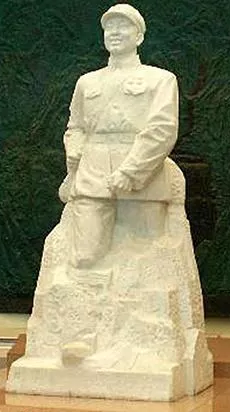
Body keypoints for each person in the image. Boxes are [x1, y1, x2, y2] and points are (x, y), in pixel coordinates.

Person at [59, 3, 183, 268]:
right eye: (109, 27)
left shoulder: (160, 80)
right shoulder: (87, 82)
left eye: (123, 26)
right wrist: (74, 150)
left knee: (147, 255)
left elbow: (162, 129)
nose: (114, 32)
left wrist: (131, 173)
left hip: (143, 177)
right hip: (92, 174)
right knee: (84, 258)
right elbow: (75, 127)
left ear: (139, 36)